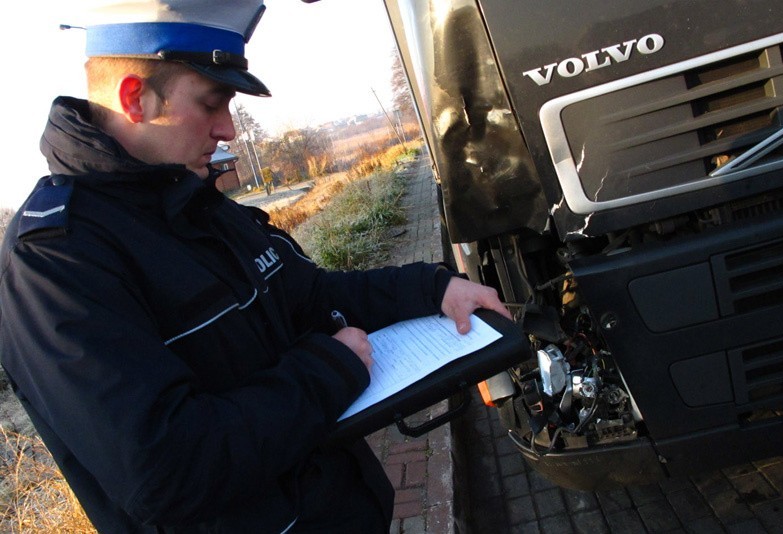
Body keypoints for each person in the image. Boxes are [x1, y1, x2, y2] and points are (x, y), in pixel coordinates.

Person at [0, 1, 511, 532]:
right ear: (135, 98)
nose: (228, 130)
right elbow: (167, 470)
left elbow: (311, 296)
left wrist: (432, 288)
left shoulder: (195, 202)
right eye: (211, 103)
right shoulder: (53, 260)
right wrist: (330, 371)